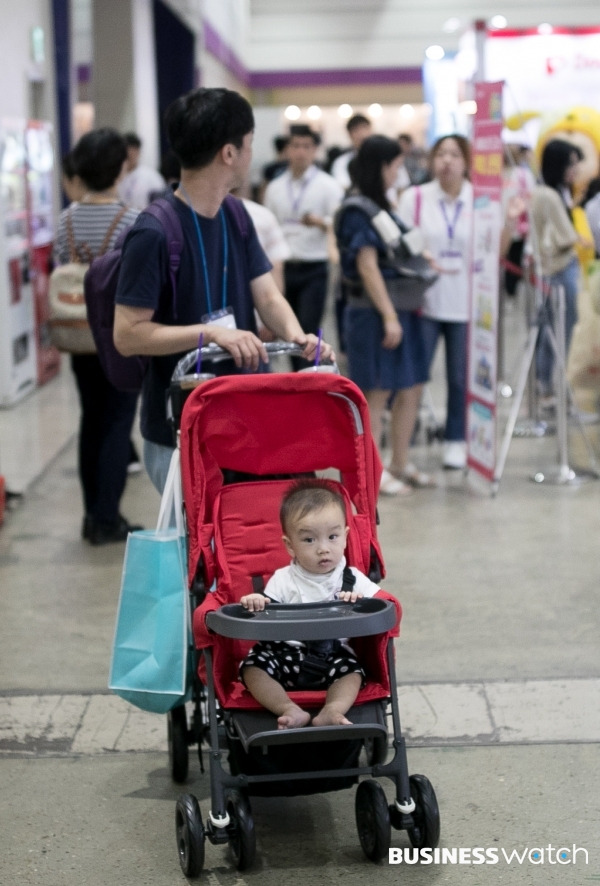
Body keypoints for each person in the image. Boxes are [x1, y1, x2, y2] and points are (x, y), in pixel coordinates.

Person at [114, 88, 333, 493]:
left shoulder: (234, 213)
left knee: (241, 544)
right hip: (181, 430)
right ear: (229, 154)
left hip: (243, 417)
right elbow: (127, 335)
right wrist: (211, 334)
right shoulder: (154, 231)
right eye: (249, 143)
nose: (253, 153)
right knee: (194, 551)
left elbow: (265, 294)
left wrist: (296, 334)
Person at [55, 128, 142, 544]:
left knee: (91, 421)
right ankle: (107, 519)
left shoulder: (66, 220)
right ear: (121, 167)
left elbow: (57, 269)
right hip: (117, 336)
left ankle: (92, 514)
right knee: (117, 424)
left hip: (77, 334)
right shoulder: (130, 219)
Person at [239, 479, 381, 730]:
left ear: (346, 538)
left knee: (353, 672)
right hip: (283, 655)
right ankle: (288, 709)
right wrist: (258, 603)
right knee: (252, 668)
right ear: (289, 546)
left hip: (333, 656)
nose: (323, 549)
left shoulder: (353, 578)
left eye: (332, 537)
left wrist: (361, 603)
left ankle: (332, 710)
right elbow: (266, 614)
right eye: (309, 540)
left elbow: (383, 606)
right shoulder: (283, 579)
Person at [336, 135, 433, 496]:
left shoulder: (382, 208)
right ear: (381, 167)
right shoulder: (357, 211)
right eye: (395, 166)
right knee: (376, 394)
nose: (400, 173)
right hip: (374, 314)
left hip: (403, 309)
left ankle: (400, 461)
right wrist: (389, 316)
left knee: (409, 387)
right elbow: (367, 266)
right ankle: (373, 474)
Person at [398, 134, 474, 470]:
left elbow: (493, 250)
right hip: (424, 300)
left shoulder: (481, 199)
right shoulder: (415, 197)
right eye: (440, 153)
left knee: (460, 377)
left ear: (466, 161)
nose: (446, 160)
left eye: (454, 154)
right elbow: (402, 244)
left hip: (466, 301)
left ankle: (456, 439)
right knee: (414, 375)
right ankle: (404, 441)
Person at [264, 124, 344, 369]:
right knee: (287, 330)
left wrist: (321, 222)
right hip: (283, 267)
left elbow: (340, 224)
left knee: (307, 329)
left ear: (315, 150)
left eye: (306, 147)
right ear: (287, 149)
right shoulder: (275, 187)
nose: (300, 152)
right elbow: (269, 226)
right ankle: (295, 381)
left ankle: (308, 381)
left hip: (314, 267)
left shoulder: (328, 186)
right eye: (295, 146)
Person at [529, 140, 589, 406]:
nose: (575, 169)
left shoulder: (555, 192)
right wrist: (578, 238)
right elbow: (564, 235)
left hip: (556, 268)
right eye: (571, 163)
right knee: (556, 330)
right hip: (558, 270)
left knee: (553, 327)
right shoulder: (549, 195)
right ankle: (548, 387)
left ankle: (549, 386)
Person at [117, 132, 166, 210]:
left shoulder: (151, 176)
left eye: (133, 151)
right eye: (127, 151)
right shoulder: (116, 177)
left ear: (138, 151)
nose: (130, 154)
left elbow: (162, 203)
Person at [330, 114, 373, 192]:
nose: (362, 134)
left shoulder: (382, 159)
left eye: (364, 128)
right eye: (356, 130)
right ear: (349, 134)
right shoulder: (341, 162)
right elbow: (344, 187)